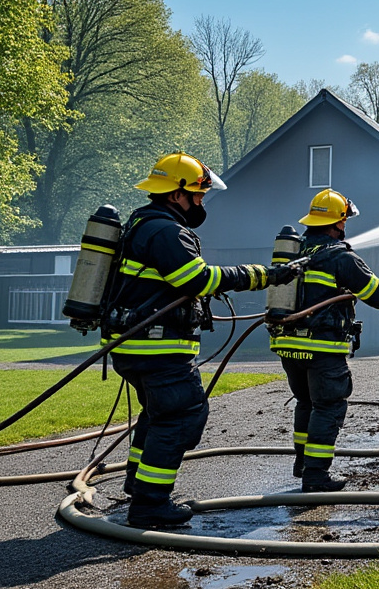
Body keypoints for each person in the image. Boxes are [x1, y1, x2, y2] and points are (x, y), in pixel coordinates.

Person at [107, 152, 300, 528]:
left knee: (158, 414)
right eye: (197, 195)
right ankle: (150, 505)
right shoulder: (166, 231)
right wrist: (264, 275)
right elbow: (197, 280)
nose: (200, 202)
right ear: (176, 193)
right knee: (182, 415)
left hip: (139, 345)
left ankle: (139, 484)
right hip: (158, 347)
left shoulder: (142, 224)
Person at [271, 188, 379, 492]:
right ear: (338, 223)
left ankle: (303, 465)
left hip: (288, 345)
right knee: (328, 407)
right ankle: (315, 477)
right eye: (345, 221)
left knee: (306, 402)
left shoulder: (296, 252)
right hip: (322, 347)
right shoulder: (341, 258)